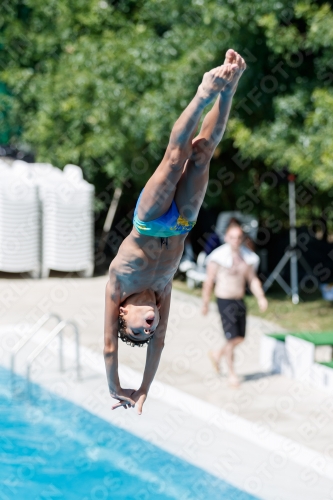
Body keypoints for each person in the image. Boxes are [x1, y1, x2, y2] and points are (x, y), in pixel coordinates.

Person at [104, 49, 246, 414]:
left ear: (123, 316)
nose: (148, 329)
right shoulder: (162, 294)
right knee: (203, 152)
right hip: (183, 222)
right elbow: (160, 343)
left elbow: (108, 347)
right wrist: (147, 388)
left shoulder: (117, 288)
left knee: (174, 156)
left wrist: (119, 386)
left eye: (138, 330)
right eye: (147, 333)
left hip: (149, 219)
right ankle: (228, 88)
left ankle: (204, 92)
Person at [202, 221, 268, 387]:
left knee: (240, 337)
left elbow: (252, 279)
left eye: (239, 237)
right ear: (226, 237)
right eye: (232, 237)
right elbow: (209, 281)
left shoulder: (248, 258)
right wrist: (205, 302)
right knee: (231, 339)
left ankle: (217, 354)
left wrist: (261, 297)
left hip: (239, 300)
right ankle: (232, 373)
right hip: (224, 300)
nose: (236, 241)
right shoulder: (218, 257)